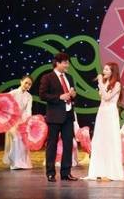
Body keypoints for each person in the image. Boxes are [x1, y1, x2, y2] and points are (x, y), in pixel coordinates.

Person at [39, 52, 80, 182]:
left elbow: (72, 95)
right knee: (52, 144)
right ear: (57, 63)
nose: (67, 65)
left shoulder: (69, 77)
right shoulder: (48, 77)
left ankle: (65, 173)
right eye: (65, 62)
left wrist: (73, 95)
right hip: (55, 116)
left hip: (68, 115)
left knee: (68, 144)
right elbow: (42, 95)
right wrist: (59, 97)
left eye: (68, 62)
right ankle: (50, 172)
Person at [83, 62, 124, 181]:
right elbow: (102, 96)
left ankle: (111, 172)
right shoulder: (105, 83)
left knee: (109, 141)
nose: (104, 71)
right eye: (104, 69)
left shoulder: (117, 84)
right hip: (102, 112)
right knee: (100, 141)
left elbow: (107, 97)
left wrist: (100, 82)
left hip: (110, 113)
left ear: (113, 72)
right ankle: (100, 170)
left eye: (107, 70)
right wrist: (102, 83)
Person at [3, 75, 33, 169]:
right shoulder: (13, 93)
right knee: (15, 139)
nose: (27, 85)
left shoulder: (29, 96)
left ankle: (22, 162)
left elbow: (28, 110)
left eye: (29, 84)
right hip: (12, 120)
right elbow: (5, 105)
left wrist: (27, 120)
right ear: (21, 82)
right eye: (26, 83)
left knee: (22, 141)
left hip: (23, 120)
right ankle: (14, 162)